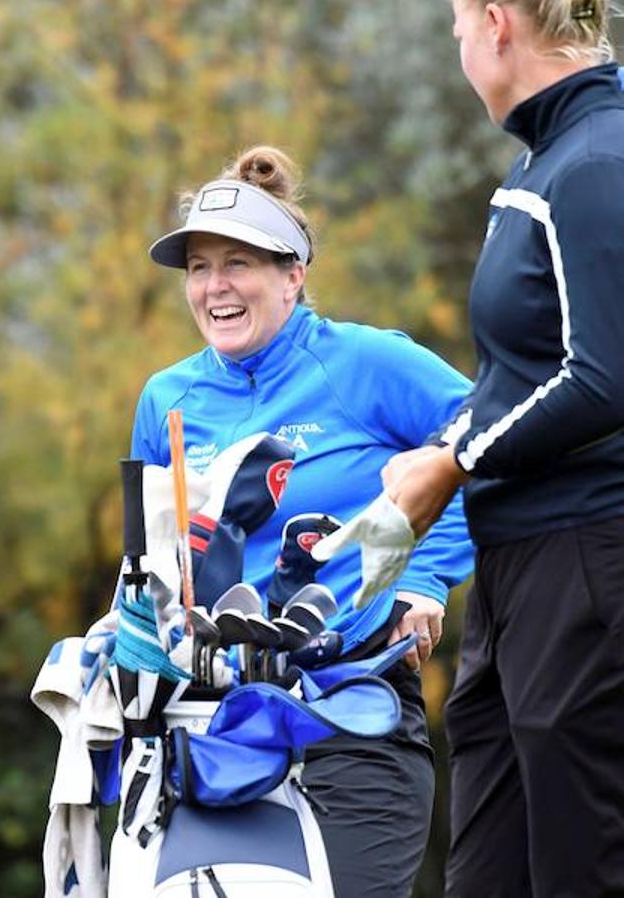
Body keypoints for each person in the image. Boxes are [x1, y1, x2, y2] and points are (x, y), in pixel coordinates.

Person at [131, 146, 475, 897]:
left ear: (294, 275)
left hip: (352, 713)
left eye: (239, 264)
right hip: (212, 727)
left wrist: (423, 577)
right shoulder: (166, 401)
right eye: (198, 266)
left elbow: (490, 440)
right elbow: (147, 569)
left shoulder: (366, 364)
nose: (215, 287)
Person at [380, 1, 624, 894]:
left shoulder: (597, 162)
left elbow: (607, 380)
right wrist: (438, 447)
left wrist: (455, 463)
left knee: (581, 871)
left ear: (496, 21)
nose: (453, 41)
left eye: (454, 19)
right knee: (486, 872)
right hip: (515, 575)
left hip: (589, 570)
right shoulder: (546, 160)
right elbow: (514, 374)